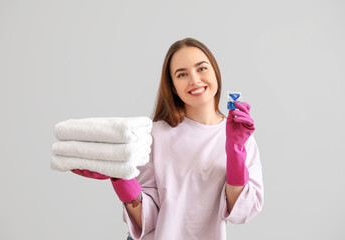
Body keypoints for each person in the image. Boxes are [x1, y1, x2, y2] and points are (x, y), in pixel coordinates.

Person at [74, 37, 264, 240]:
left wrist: (235, 150)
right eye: (182, 74)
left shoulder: (241, 136)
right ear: (173, 86)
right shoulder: (153, 135)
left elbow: (244, 211)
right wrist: (121, 177)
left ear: (215, 72)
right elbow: (147, 220)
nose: (194, 79)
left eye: (202, 68)